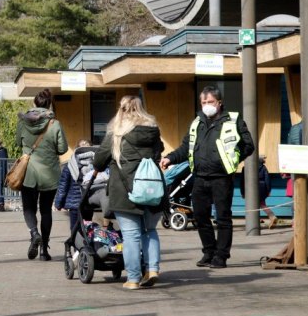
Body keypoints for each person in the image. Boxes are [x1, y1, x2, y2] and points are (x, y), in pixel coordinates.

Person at [160, 85, 254, 269]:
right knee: (201, 216)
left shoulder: (234, 121)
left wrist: (234, 158)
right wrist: (170, 158)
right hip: (200, 177)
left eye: (210, 102)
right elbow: (186, 148)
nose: (207, 105)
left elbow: (249, 145)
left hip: (221, 177)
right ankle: (208, 252)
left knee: (223, 218)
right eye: (204, 102)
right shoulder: (197, 122)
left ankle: (221, 256)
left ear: (219, 103)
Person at [94, 96, 164, 290]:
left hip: (125, 189)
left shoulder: (116, 133)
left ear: (121, 109)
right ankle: (152, 269)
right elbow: (159, 154)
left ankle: (133, 279)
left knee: (131, 235)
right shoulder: (153, 130)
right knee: (149, 230)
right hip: (152, 188)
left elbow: (98, 162)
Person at [15, 88, 68, 261]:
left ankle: (34, 232)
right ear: (49, 104)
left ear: (35, 104)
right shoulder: (55, 124)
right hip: (49, 176)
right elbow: (63, 149)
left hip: (28, 173)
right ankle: (44, 250)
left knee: (29, 208)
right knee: (46, 211)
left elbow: (18, 143)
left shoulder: (23, 122)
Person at [55, 139, 104, 231]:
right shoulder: (97, 165)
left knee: (75, 228)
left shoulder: (70, 166)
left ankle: (77, 244)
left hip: (74, 204)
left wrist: (58, 203)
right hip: (89, 201)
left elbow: (63, 186)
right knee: (87, 227)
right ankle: (86, 244)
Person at [240, 156, 278, 229]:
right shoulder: (263, 167)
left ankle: (270, 217)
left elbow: (242, 181)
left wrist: (242, 192)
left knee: (252, 205)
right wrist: (268, 190)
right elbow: (267, 179)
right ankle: (266, 217)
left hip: (249, 187)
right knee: (261, 204)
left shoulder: (245, 168)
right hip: (262, 187)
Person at [0, 139, 9, 211]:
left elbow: (2, 162)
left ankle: (1, 204)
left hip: (0, 173)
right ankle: (0, 204)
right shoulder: (2, 151)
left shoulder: (2, 151)